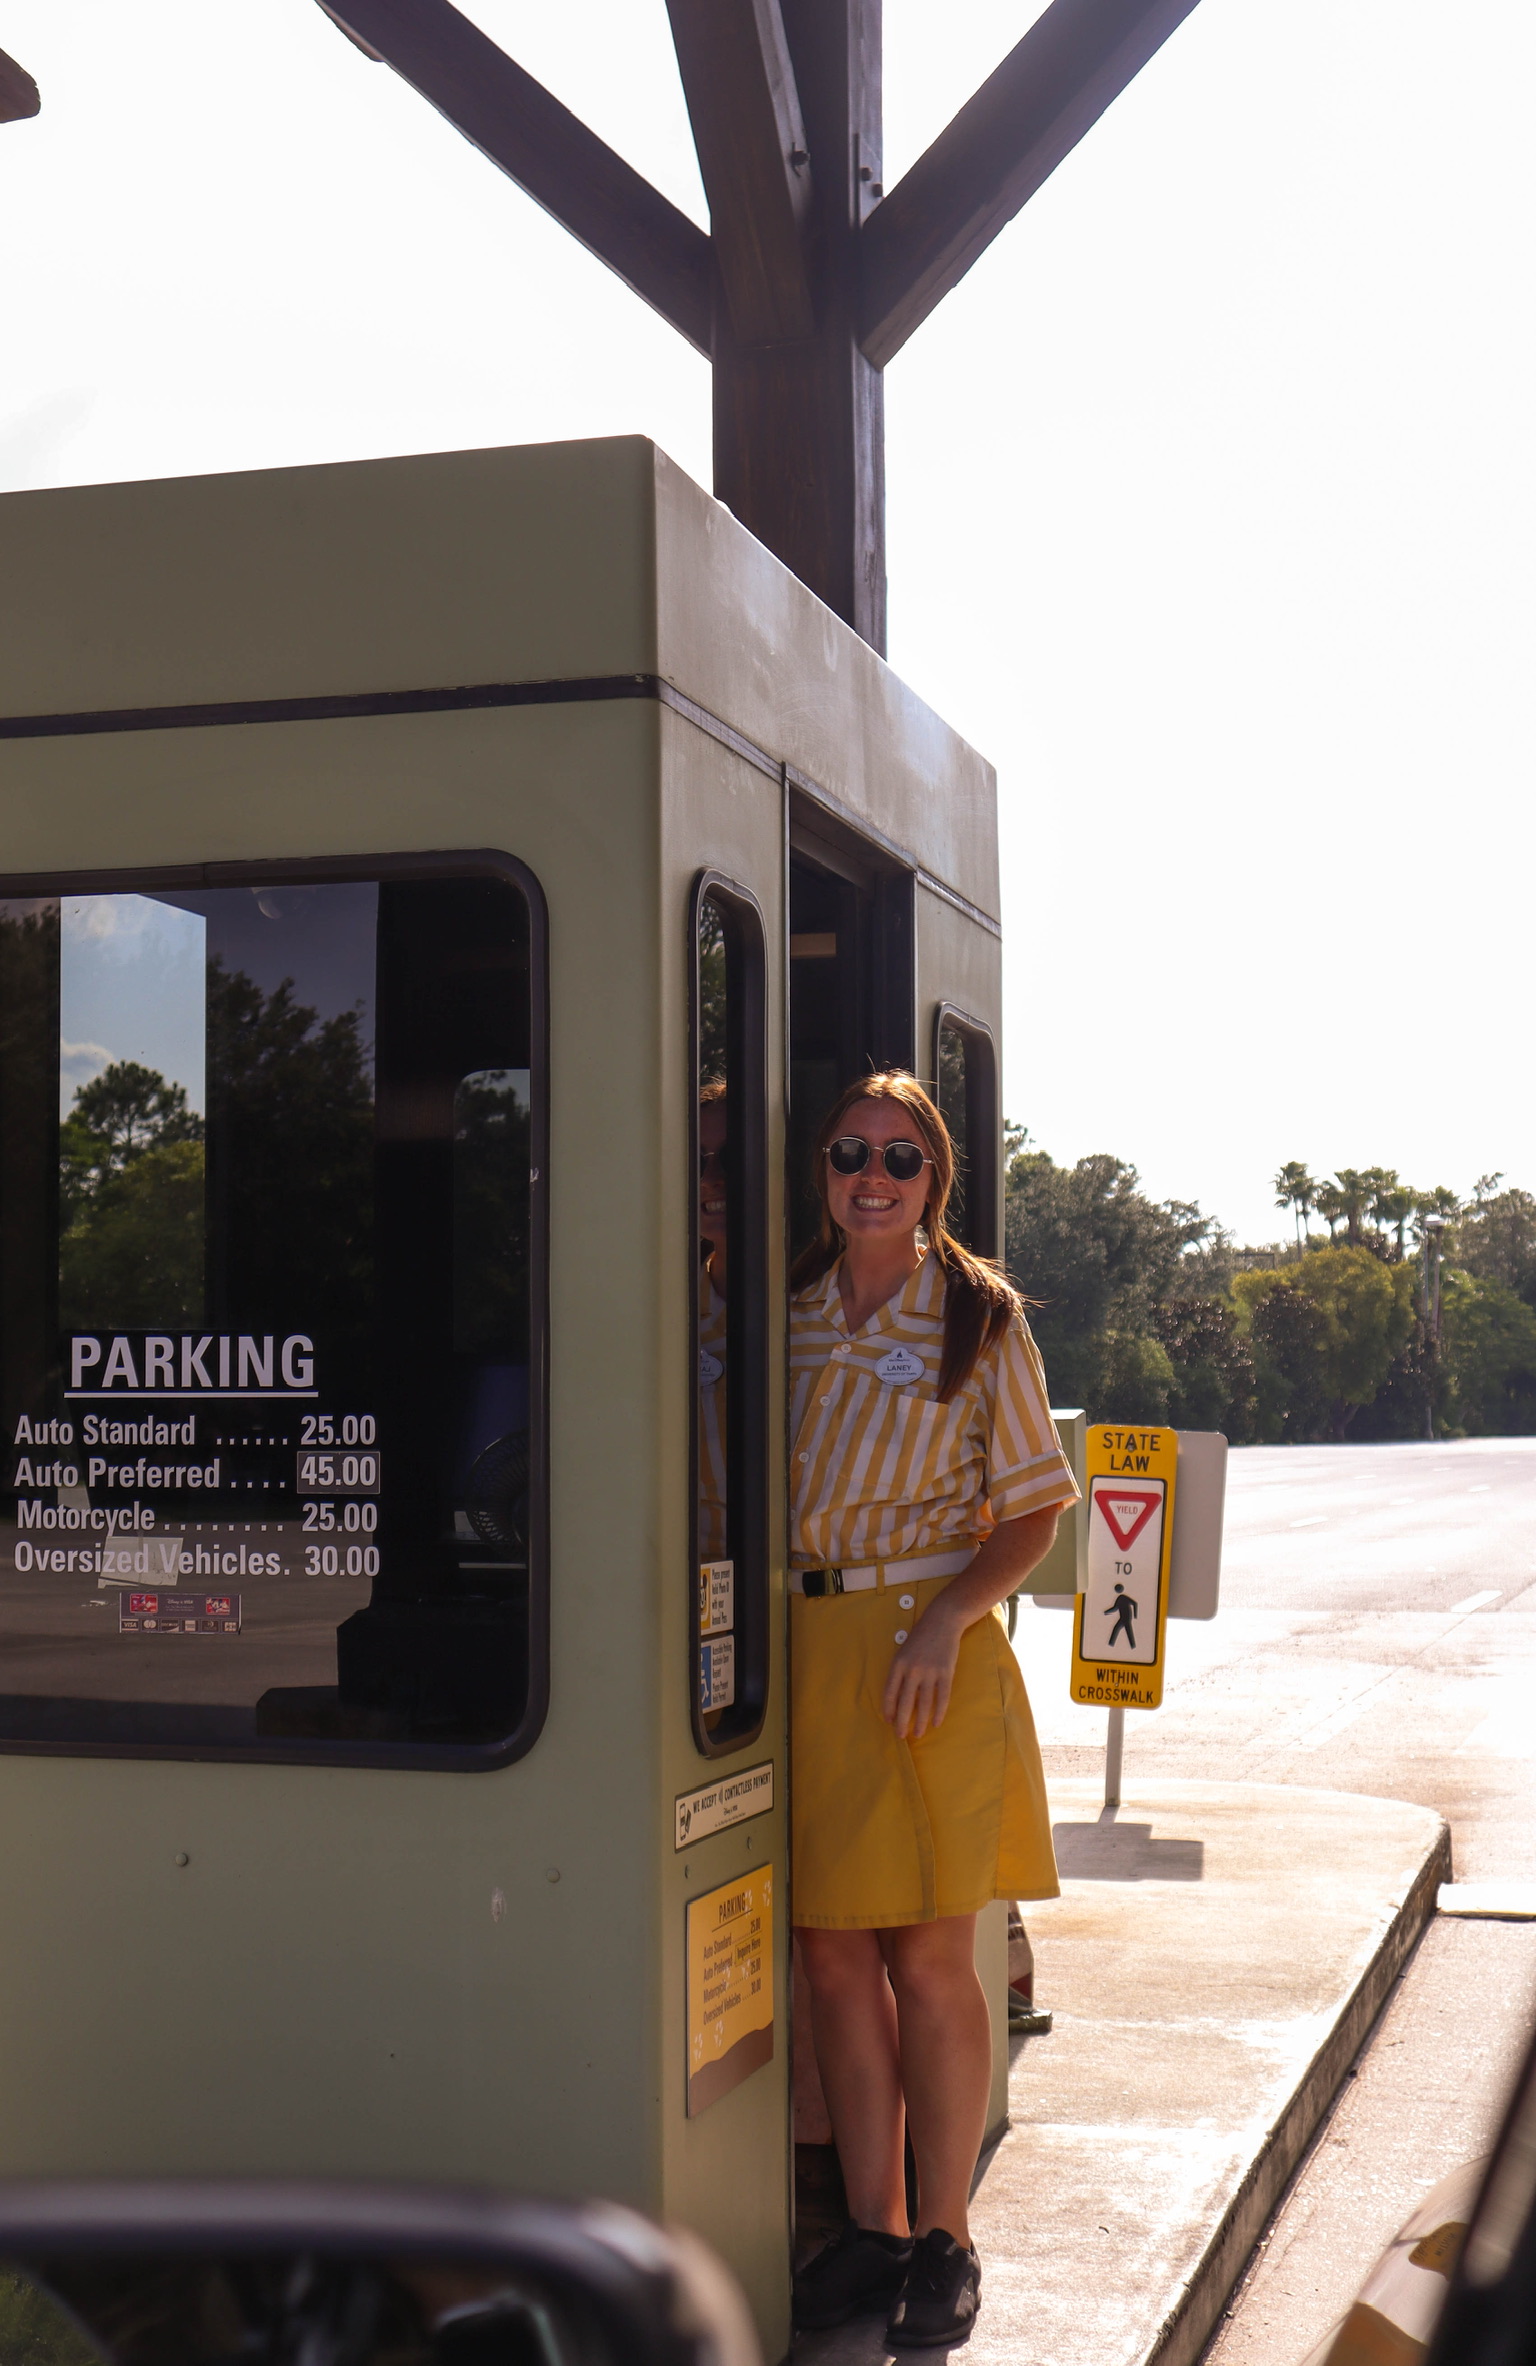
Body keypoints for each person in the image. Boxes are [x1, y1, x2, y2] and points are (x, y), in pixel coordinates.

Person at [789, 1072, 1079, 2349]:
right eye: (852, 1150)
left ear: (935, 1178)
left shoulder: (978, 1317)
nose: (874, 1173)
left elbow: (1035, 1506)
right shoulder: (774, 1309)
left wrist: (946, 1620)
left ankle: (950, 2240)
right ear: (824, 1167)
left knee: (928, 1956)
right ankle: (875, 2228)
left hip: (927, 1654)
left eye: (901, 1157)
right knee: (832, 1955)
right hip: (799, 1654)